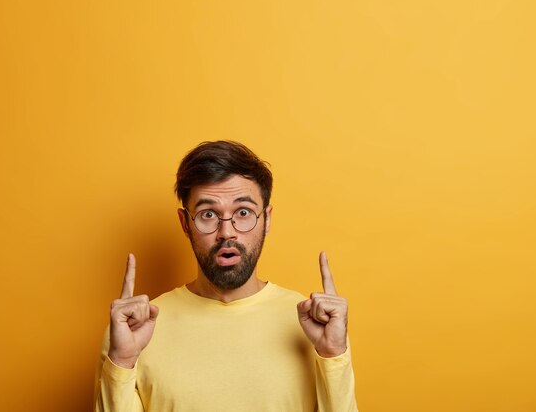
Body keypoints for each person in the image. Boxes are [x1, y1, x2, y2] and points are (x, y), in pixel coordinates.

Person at [94, 140, 358, 412]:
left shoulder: (316, 326)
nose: (227, 232)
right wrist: (122, 362)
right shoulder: (134, 332)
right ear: (186, 223)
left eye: (243, 212)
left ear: (266, 219)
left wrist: (333, 355)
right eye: (208, 214)